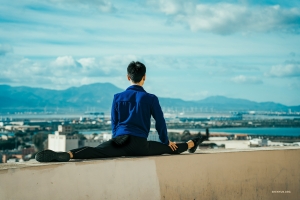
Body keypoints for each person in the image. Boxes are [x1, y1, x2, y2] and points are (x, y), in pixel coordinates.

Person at [35, 61, 209, 162]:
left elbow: (115, 122)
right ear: (144, 77)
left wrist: (114, 142)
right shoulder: (151, 98)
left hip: (120, 142)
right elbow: (160, 123)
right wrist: (165, 140)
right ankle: (193, 143)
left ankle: (68, 154)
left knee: (94, 151)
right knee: (170, 149)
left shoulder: (117, 97)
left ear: (128, 77)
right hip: (141, 144)